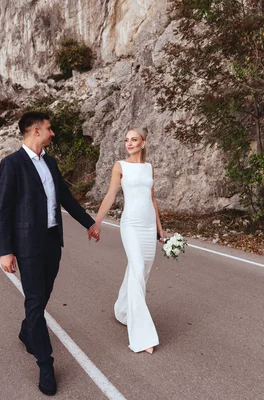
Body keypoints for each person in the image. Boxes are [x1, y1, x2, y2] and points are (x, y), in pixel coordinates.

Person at [0, 111, 100, 396]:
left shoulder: (51, 163)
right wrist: (6, 251)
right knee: (34, 300)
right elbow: (3, 210)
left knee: (42, 298)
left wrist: (89, 223)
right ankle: (45, 364)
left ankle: (27, 330)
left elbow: (66, 198)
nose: (53, 133)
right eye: (49, 129)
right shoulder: (12, 164)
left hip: (53, 242)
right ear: (35, 131)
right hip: (27, 246)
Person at [91, 128, 165, 354]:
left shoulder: (149, 167)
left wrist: (161, 229)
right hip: (131, 225)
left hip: (148, 225)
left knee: (141, 272)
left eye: (134, 140)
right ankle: (143, 335)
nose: (129, 143)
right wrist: (96, 222)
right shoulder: (119, 166)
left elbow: (152, 198)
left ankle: (123, 310)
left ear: (143, 143)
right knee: (137, 268)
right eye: (127, 140)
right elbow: (111, 196)